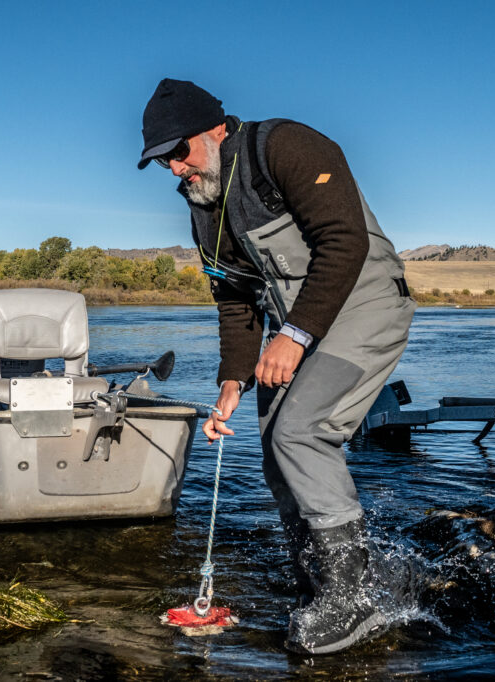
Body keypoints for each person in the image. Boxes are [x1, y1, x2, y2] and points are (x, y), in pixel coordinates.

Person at [138, 78, 415, 654]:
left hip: (363, 307)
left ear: (215, 129)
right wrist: (232, 380)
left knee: (301, 432)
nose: (174, 169)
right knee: (272, 450)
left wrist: (291, 333)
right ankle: (318, 585)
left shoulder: (286, 146)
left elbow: (344, 242)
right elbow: (234, 301)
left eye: (178, 152)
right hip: (298, 326)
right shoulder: (201, 206)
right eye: (162, 161)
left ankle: (352, 597)